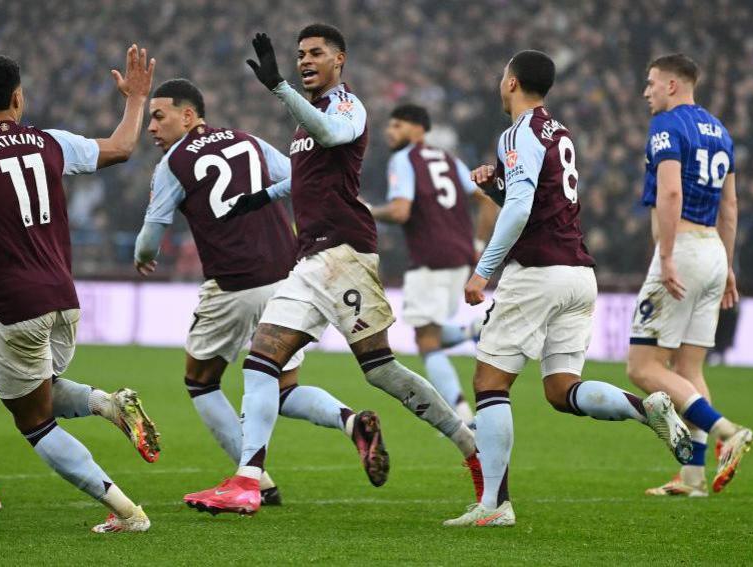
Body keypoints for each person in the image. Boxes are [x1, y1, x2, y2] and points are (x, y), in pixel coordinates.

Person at [183, 24, 481, 517]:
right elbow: (303, 180)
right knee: (262, 360)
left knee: (381, 371)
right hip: (309, 262)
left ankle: (471, 448)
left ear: (339, 60)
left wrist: (279, 89)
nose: (304, 61)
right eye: (300, 54)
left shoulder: (346, 107)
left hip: (345, 256)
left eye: (315, 53)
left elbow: (335, 135)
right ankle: (247, 481)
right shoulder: (306, 121)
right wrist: (257, 198)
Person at [0, 47, 160, 534]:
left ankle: (127, 512)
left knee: (33, 421)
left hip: (14, 307)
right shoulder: (50, 141)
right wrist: (137, 98)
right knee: (41, 389)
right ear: (18, 98)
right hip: (64, 299)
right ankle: (107, 404)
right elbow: (121, 147)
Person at [444, 50, 692, 528]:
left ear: (512, 82)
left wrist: (483, 271)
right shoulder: (556, 132)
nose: (500, 83)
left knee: (489, 383)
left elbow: (518, 212)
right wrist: (493, 187)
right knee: (561, 390)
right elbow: (533, 198)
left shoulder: (517, 133)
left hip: (536, 273)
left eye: (502, 76)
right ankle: (647, 409)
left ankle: (494, 505)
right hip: (578, 276)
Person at [135, 78, 388, 505]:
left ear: (189, 115)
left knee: (200, 381)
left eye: (159, 116)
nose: (152, 128)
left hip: (232, 285)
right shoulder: (247, 141)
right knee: (283, 385)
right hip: (288, 276)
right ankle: (349, 421)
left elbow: (150, 234)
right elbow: (298, 179)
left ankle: (254, 479)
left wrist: (144, 255)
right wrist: (264, 199)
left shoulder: (173, 165)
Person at [627, 53, 753, 498]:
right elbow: (731, 205)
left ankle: (727, 431)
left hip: (680, 249)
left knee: (642, 368)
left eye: (651, 83)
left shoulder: (667, 125)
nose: (646, 92)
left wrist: (665, 257)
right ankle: (694, 478)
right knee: (688, 368)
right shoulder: (720, 130)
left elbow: (671, 189)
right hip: (714, 253)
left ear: (672, 86)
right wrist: (729, 264)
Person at [369, 103, 499, 422]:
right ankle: (475, 328)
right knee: (430, 334)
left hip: (429, 256)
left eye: (397, 125)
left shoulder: (403, 159)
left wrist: (367, 210)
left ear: (418, 129)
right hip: (459, 256)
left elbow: (400, 211)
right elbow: (486, 201)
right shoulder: (449, 160)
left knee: (427, 343)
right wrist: (477, 246)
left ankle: (463, 416)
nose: (390, 131)